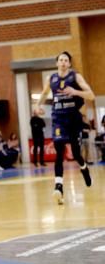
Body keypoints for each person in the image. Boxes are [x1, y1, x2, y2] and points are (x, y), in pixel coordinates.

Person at [37, 51, 94, 205]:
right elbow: (43, 94)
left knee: (76, 153)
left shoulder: (75, 76)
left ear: (69, 64)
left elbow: (91, 95)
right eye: (60, 60)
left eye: (66, 60)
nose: (63, 62)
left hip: (73, 119)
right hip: (58, 119)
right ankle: (59, 187)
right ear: (57, 63)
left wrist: (75, 91)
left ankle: (84, 169)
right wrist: (38, 106)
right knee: (59, 152)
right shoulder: (52, 78)